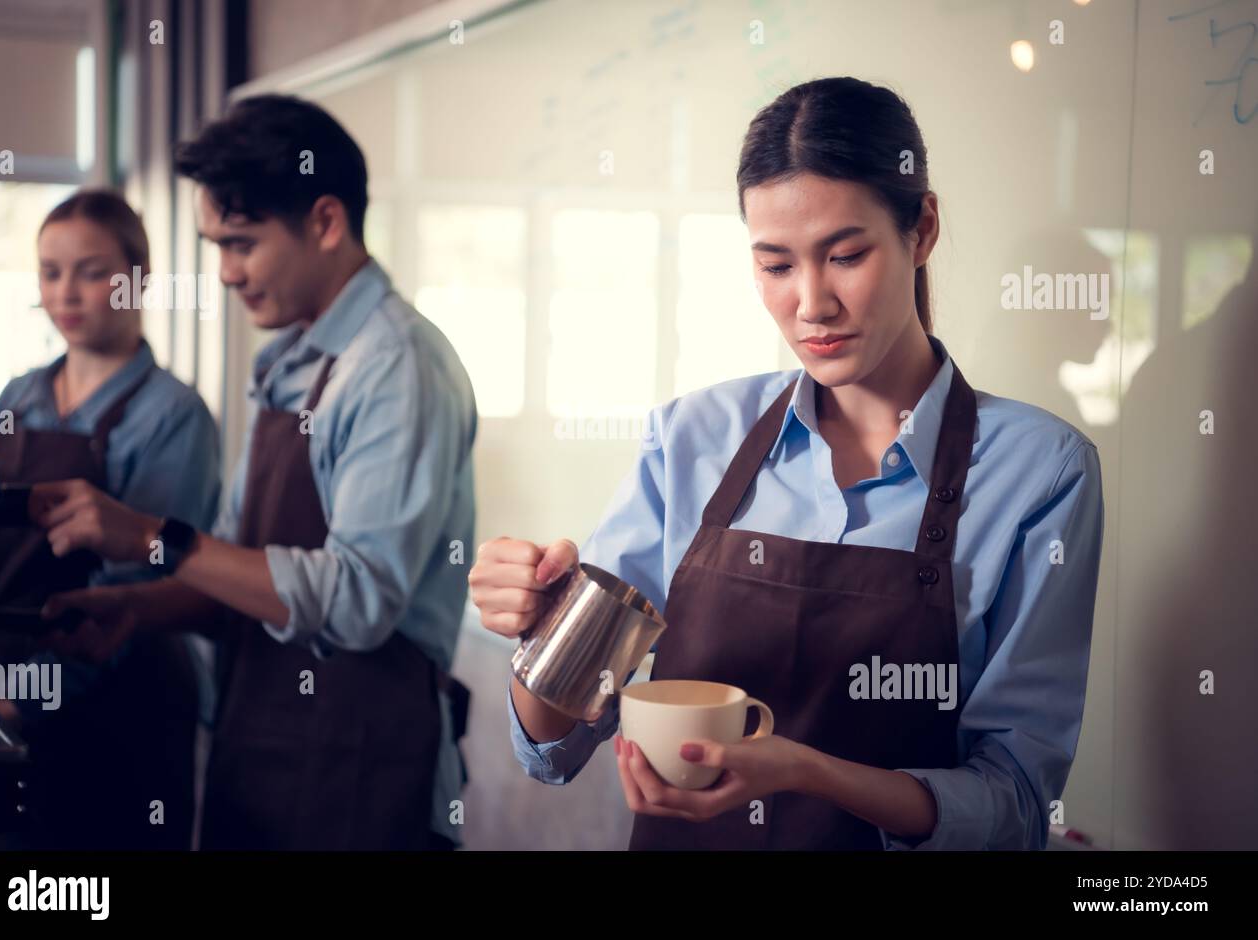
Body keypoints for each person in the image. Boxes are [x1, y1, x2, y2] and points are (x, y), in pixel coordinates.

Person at [470, 77, 1105, 850]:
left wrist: (809, 773)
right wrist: (544, 638)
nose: (811, 303)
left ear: (923, 228)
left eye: (845, 255)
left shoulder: (1040, 471)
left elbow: (1014, 806)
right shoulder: (691, 439)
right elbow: (553, 749)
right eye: (775, 266)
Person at [38, 95, 477, 851]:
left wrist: (148, 534)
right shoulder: (289, 362)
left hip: (361, 773)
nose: (227, 273)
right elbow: (246, 575)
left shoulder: (396, 366)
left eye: (241, 243)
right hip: (262, 756)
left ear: (326, 222)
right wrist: (142, 612)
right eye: (215, 245)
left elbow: (357, 600)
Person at [0, 189, 220, 849]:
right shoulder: (16, 396)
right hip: (1, 677)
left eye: (91, 270)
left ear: (138, 278)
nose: (68, 292)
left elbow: (149, 582)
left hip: (122, 702)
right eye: (51, 272)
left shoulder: (174, 416)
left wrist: (24, 698)